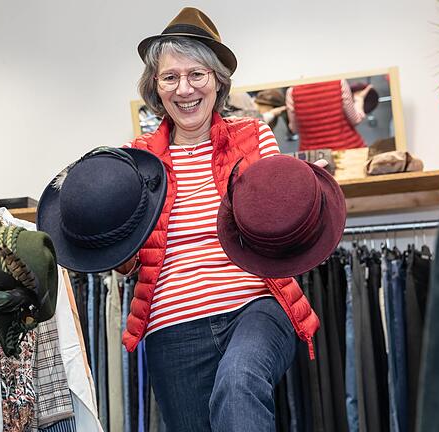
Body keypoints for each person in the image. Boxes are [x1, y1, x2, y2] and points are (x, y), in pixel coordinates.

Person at [121, 7, 322, 431]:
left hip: (255, 305)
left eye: (197, 74)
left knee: (239, 383)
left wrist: (301, 196)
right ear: (155, 87)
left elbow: (281, 219)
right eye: (170, 77)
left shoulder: (253, 136)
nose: (185, 88)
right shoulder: (137, 158)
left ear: (217, 81)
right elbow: (127, 259)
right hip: (170, 326)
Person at [286, 79, 372, 150]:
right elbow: (355, 120)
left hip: (313, 157)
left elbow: (294, 129)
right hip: (347, 149)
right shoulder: (339, 83)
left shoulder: (292, 92)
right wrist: (359, 99)